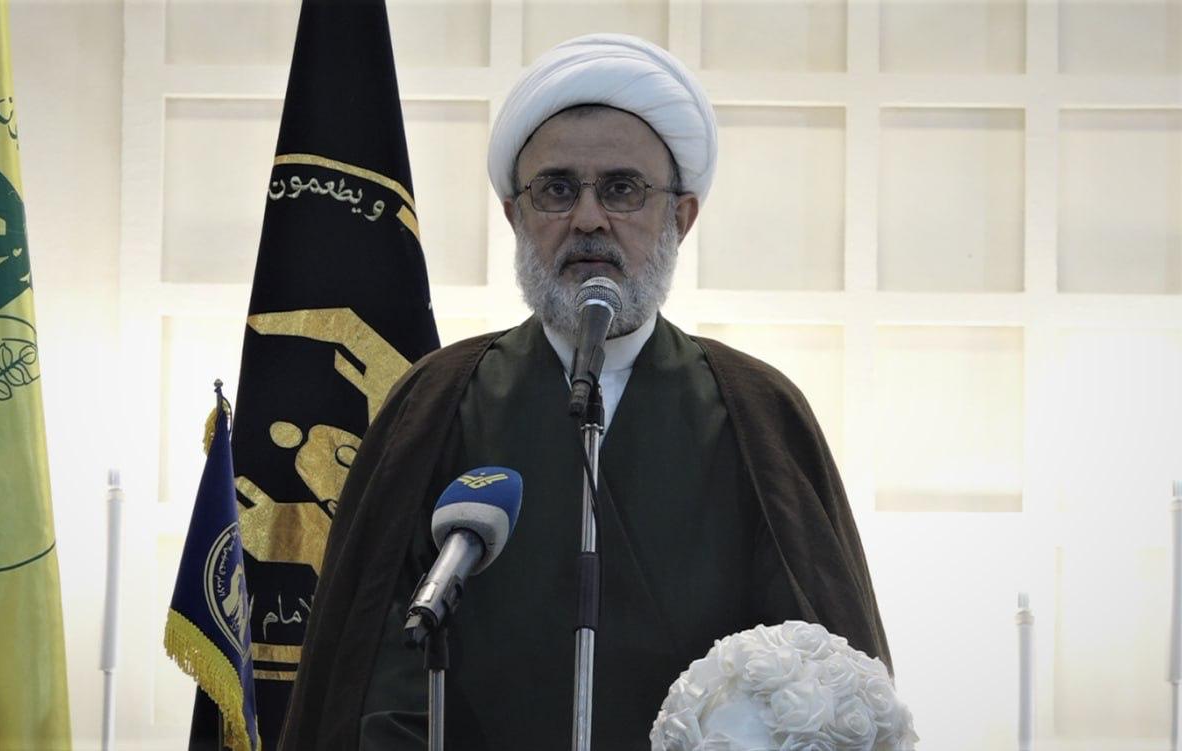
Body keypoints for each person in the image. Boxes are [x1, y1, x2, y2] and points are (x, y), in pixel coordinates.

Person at [279, 33, 889, 750]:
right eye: (557, 189)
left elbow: (817, 678)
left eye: (623, 189)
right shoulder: (436, 401)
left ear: (681, 217)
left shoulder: (759, 412)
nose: (590, 218)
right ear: (515, 215)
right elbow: (376, 667)